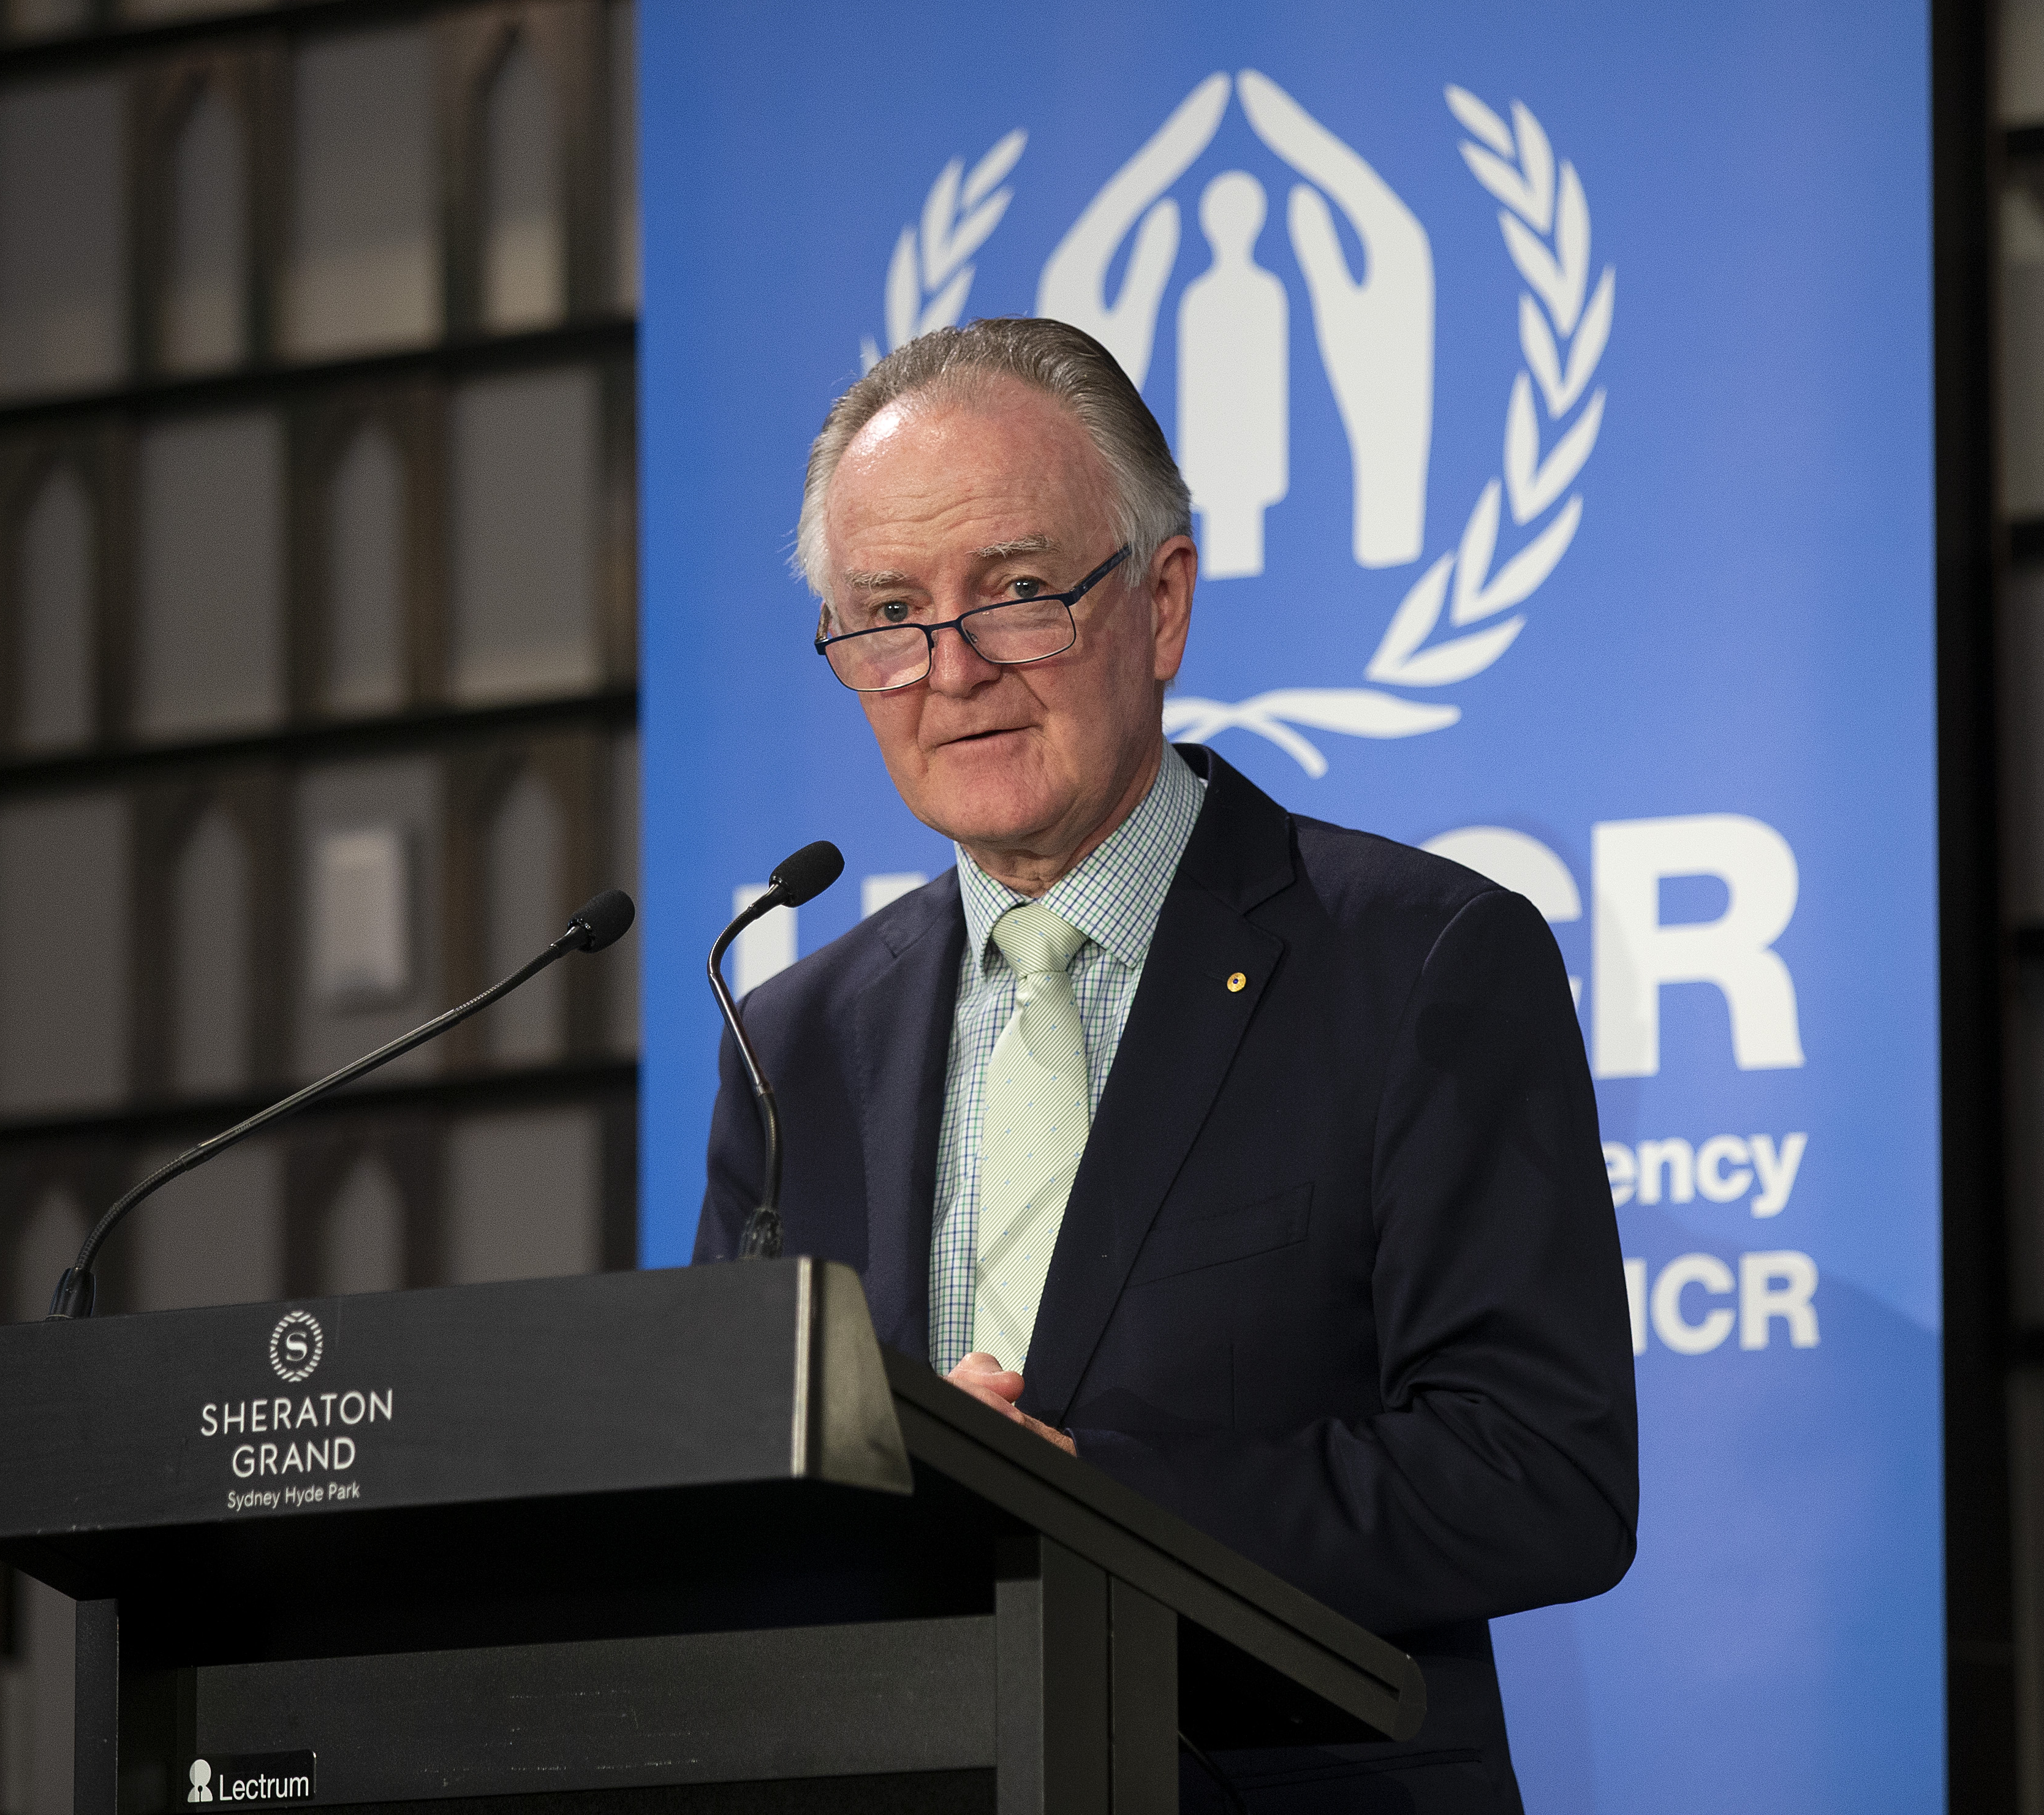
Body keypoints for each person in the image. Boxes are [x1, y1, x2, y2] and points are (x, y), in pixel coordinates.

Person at [693, 317, 1637, 1813]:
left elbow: (1539, 1476)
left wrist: (1081, 1502)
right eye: (885, 612)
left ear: (1162, 603)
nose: (949, 672)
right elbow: (741, 1493)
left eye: (1015, 594)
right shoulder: (796, 1039)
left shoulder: (1421, 962)